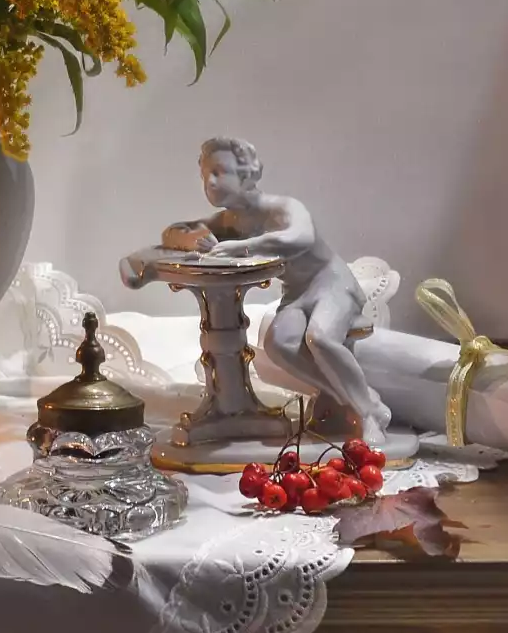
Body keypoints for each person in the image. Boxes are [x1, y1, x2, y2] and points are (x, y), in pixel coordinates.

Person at [163, 137, 393, 445]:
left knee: (320, 337)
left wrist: (242, 246)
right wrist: (195, 240)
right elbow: (175, 231)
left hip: (332, 284)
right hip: (297, 292)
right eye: (205, 175)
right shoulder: (227, 220)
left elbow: (300, 238)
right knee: (278, 344)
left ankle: (368, 413)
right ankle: (362, 400)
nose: (210, 182)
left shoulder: (282, 207)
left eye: (219, 172)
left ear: (246, 175)